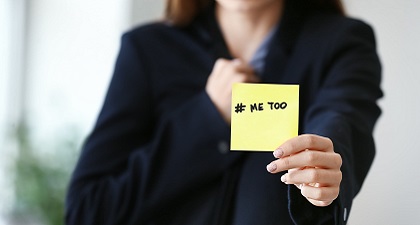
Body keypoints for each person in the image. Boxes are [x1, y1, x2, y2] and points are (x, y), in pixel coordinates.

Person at [65, 0, 382, 224]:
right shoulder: (146, 49)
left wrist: (324, 162)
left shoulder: (343, 42)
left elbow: (341, 117)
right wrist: (207, 117)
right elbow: (88, 209)